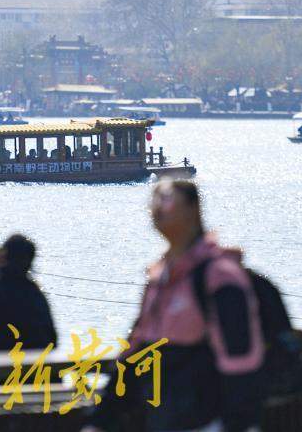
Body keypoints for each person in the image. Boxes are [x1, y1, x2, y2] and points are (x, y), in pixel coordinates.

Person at [85, 180, 265, 432]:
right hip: (165, 420)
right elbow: (136, 350)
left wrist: (239, 423)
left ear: (193, 209)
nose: (158, 206)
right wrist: (101, 420)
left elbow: (241, 358)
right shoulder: (160, 277)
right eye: (154, 199)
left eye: (167, 198)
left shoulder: (219, 275)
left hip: (211, 422)